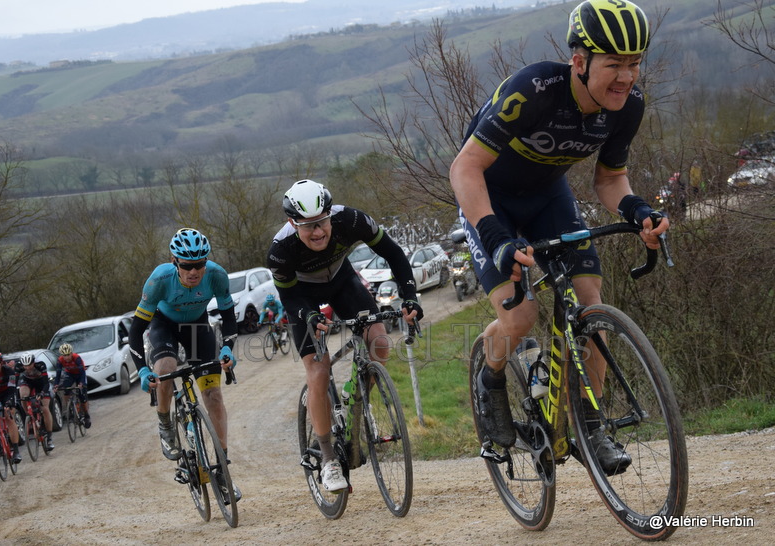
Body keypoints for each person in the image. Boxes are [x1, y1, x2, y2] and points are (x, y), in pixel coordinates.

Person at [449, 0, 669, 473]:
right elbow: (465, 168)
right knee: (521, 315)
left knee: (590, 305)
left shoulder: (627, 107)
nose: (626, 77)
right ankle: (489, 384)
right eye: (614, 64)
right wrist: (495, 236)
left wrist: (637, 209)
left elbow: (610, 179)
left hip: (548, 198)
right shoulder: (533, 90)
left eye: (634, 64)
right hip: (489, 201)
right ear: (580, 61)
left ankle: (591, 426)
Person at [266, 179, 422, 492]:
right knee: (319, 370)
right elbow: (290, 299)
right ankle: (327, 460)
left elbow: (392, 252)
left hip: (342, 280)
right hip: (303, 296)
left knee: (379, 341)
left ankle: (358, 402)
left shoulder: (351, 220)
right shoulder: (281, 251)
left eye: (321, 222)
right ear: (291, 223)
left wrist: (409, 296)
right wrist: (308, 315)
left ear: (330, 214)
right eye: (308, 226)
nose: (318, 232)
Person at [128, 227, 241, 502]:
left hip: (197, 326)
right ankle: (165, 421)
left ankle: (222, 470)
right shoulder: (160, 280)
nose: (194, 272)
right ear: (174, 261)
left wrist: (227, 346)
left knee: (213, 395)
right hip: (164, 326)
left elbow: (228, 316)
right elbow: (135, 330)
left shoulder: (215, 275)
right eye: (187, 266)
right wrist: (143, 368)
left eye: (199, 265)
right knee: (165, 369)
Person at [16, 352, 55, 450]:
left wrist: (42, 393)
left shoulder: (40, 365)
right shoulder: (18, 367)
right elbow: (14, 383)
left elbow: (46, 384)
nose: (28, 368)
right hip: (28, 382)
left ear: (34, 362)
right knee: (23, 396)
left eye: (29, 365)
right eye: (25, 366)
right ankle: (29, 415)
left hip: (41, 384)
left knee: (45, 409)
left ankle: (49, 438)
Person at [53, 343, 91, 429]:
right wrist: (56, 385)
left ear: (71, 353)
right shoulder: (60, 360)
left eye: (68, 355)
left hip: (80, 374)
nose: (66, 357)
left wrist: (81, 383)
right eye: (64, 355)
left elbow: (82, 372)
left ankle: (86, 414)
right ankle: (70, 408)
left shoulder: (77, 358)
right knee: (66, 389)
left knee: (82, 396)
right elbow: (58, 374)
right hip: (70, 374)